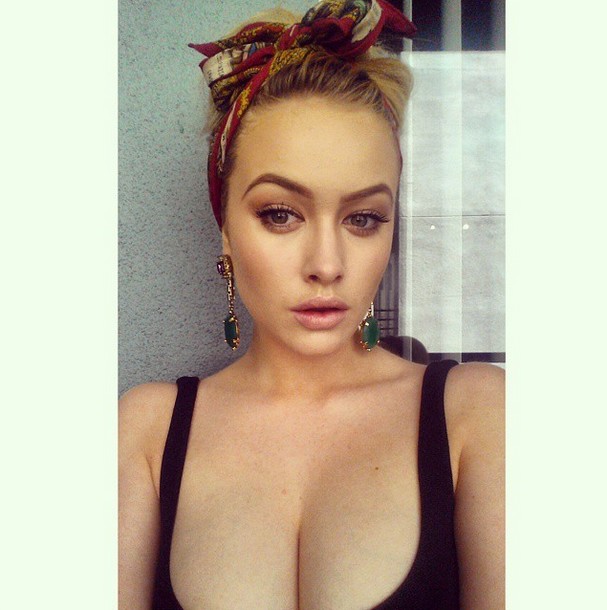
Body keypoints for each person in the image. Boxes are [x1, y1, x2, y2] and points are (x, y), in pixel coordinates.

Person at [119, 1, 505, 608]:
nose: (327, 263)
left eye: (363, 218)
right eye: (281, 214)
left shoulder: (479, 415)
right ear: (225, 227)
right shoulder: (145, 432)